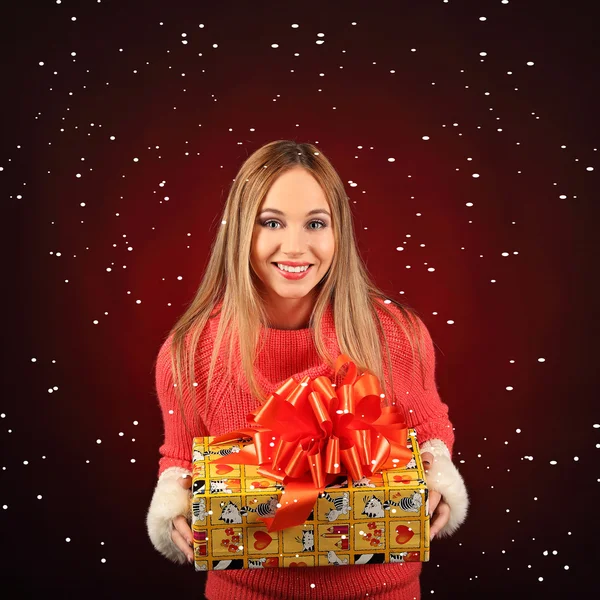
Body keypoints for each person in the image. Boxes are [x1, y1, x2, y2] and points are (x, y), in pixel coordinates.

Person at [146, 140, 469, 600]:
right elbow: (181, 456)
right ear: (240, 230)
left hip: (384, 590)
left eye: (315, 224)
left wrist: (437, 473)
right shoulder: (191, 352)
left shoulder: (397, 333)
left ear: (340, 233)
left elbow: (428, 428)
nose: (294, 248)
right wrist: (175, 503)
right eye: (271, 222)